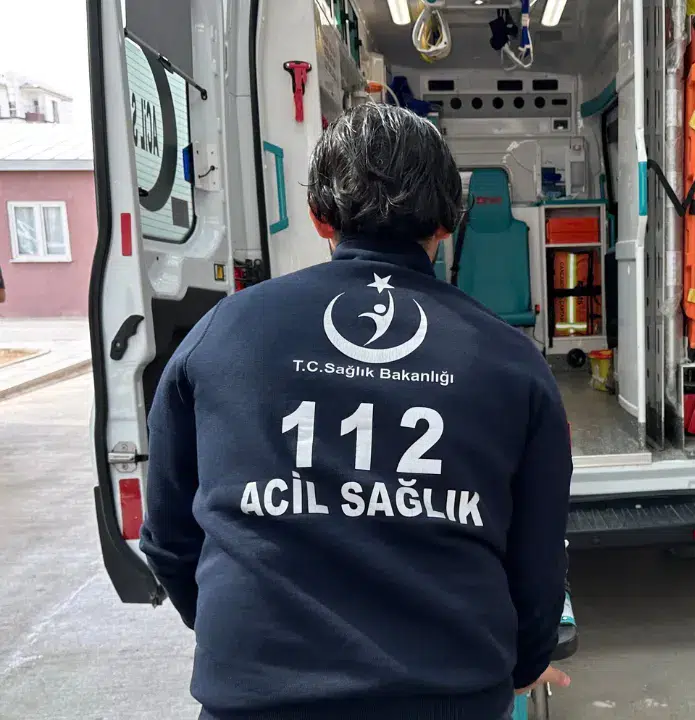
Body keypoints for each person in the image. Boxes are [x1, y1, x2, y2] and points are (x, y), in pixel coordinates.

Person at [139, 103, 572, 720]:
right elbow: (537, 561)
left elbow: (168, 539)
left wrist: (239, 643)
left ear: (317, 215)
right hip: (449, 698)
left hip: (255, 700)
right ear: (447, 222)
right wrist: (526, 664)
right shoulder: (512, 361)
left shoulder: (223, 333)